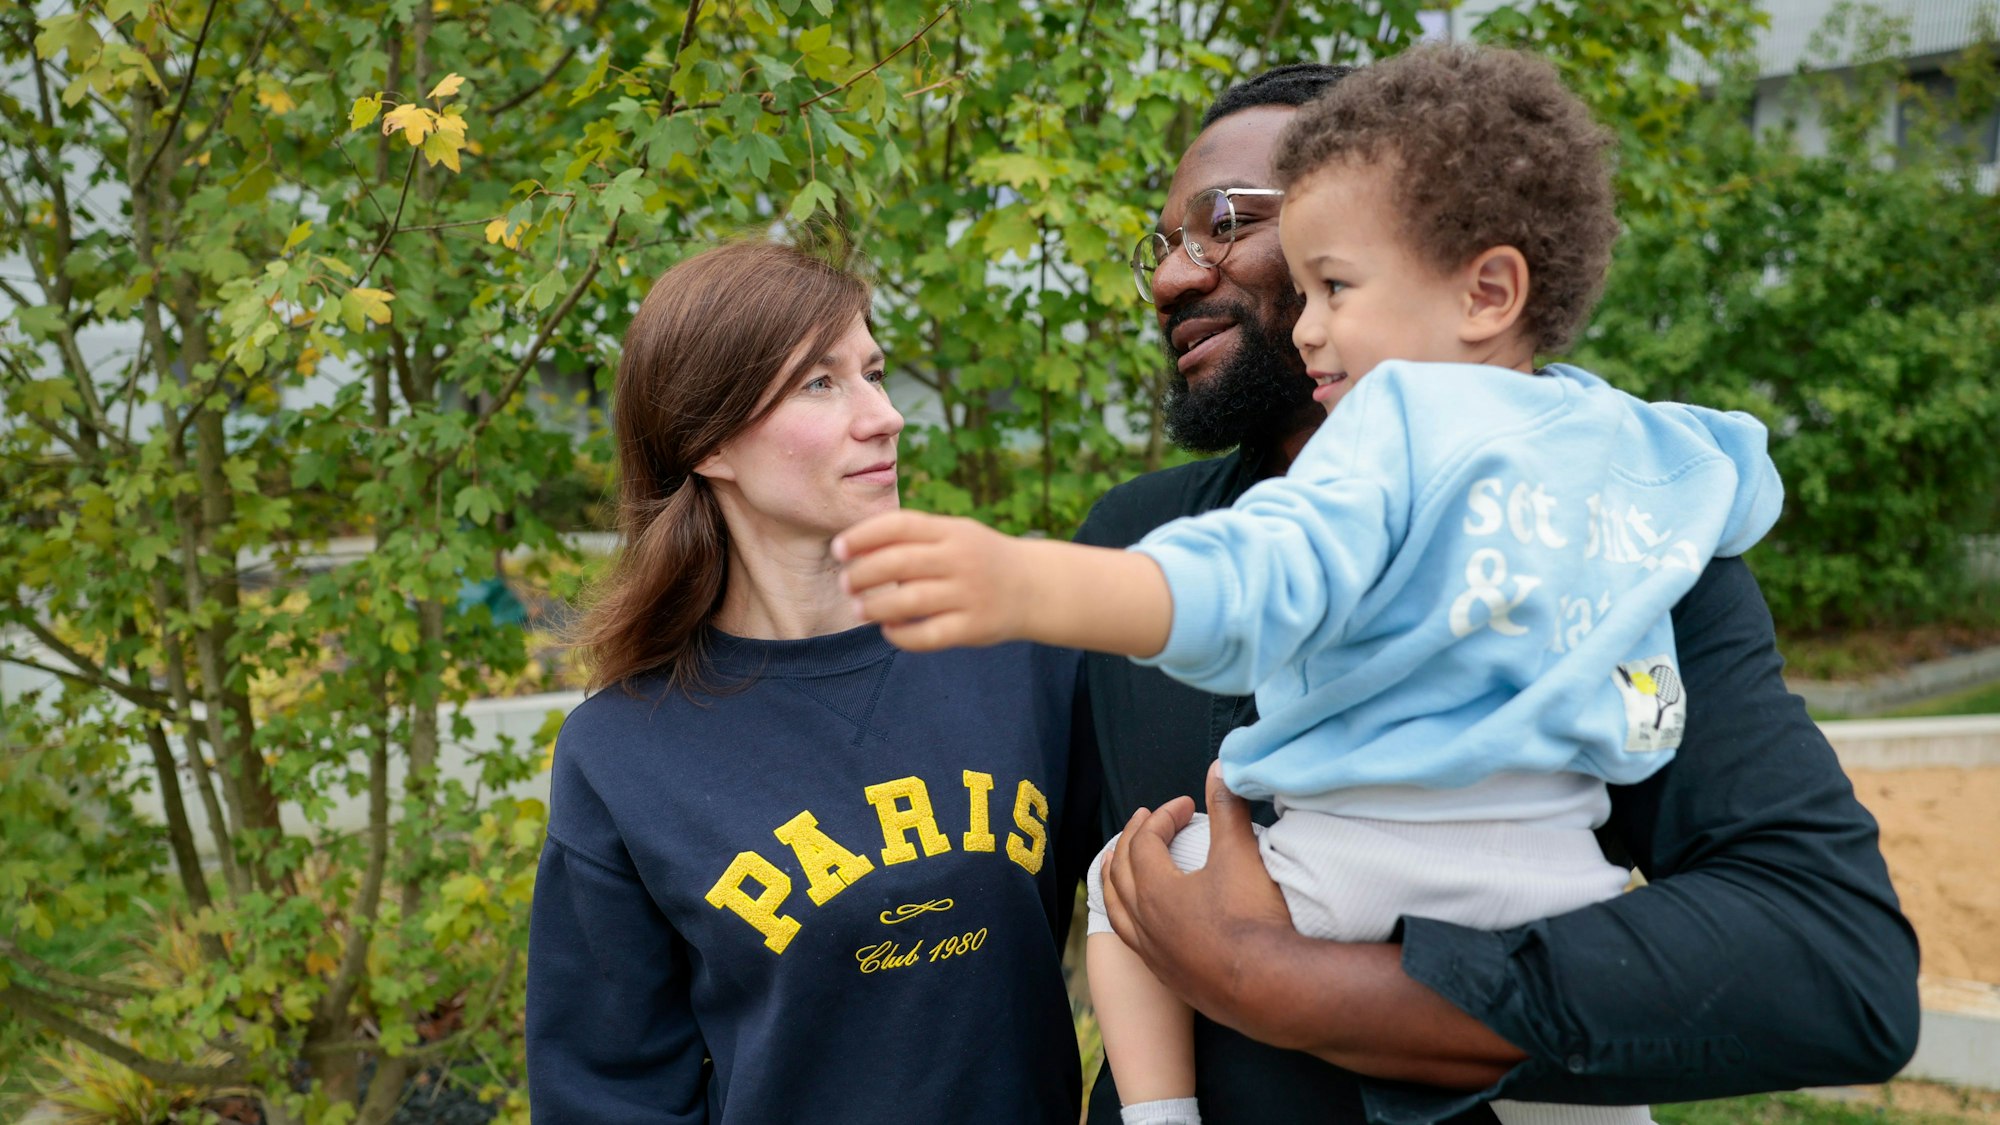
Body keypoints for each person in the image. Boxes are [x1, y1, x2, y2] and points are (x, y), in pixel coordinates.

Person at [853, 59, 1920, 1125]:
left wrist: (1271, 982)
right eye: (1164, 240)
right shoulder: (1134, 536)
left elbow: (1832, 968)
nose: (1172, 277)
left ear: (1472, 278)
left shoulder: (1620, 544)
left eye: (1226, 220)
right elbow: (1023, 898)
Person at [524, 241, 1097, 1124]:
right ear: (708, 439)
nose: (885, 416)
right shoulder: (621, 753)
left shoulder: (1020, 651)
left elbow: (1155, 909)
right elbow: (607, 1090)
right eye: (820, 383)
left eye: (874, 371)